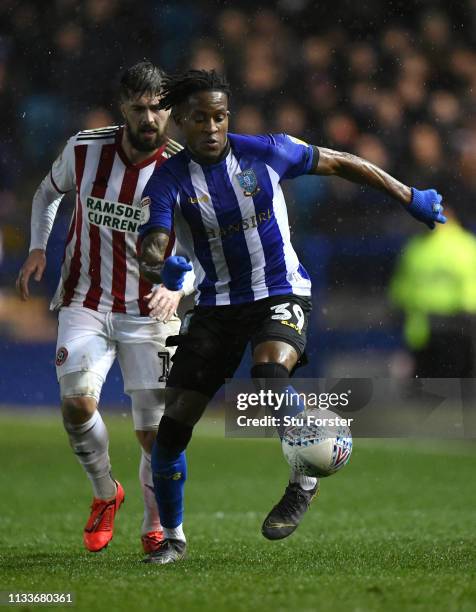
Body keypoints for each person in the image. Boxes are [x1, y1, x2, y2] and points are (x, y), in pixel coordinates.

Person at [137, 69, 446, 564]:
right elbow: (151, 243)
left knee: (268, 373)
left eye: (220, 116)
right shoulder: (169, 180)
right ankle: (172, 537)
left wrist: (410, 197)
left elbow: (341, 162)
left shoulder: (267, 150)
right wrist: (161, 265)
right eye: (200, 119)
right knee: (174, 427)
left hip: (280, 291)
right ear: (180, 122)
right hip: (216, 307)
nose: (212, 127)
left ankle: (303, 481)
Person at [16, 62, 194, 554]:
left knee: (154, 435)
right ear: (123, 108)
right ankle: (104, 494)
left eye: (159, 108)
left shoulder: (183, 167)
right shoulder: (85, 149)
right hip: (84, 300)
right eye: (139, 108)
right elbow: (46, 194)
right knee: (76, 404)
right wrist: (37, 247)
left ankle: (154, 526)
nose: (150, 118)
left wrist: (178, 290)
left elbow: (205, 253)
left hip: (151, 310)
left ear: (170, 110)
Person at [390, 209, 476, 377]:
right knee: (452, 388)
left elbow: (400, 290)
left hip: (444, 328)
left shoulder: (415, 247)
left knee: (433, 388)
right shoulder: (465, 245)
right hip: (446, 328)